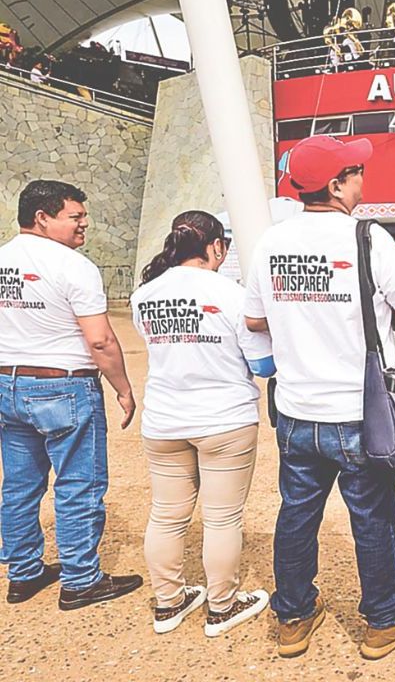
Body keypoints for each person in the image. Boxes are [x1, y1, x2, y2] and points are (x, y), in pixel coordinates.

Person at [243, 135, 395, 660]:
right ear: (336, 184)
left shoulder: (271, 242)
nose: (361, 179)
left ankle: (294, 617)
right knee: (371, 517)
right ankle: (382, 623)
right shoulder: (368, 238)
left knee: (297, 514)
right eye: (356, 171)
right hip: (360, 413)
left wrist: (299, 314)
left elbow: (256, 319)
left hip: (296, 411)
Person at [130, 211, 275, 637]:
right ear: (216, 247)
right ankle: (222, 606)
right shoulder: (231, 293)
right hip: (224, 419)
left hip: (163, 420)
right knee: (222, 518)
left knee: (167, 515)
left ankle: (168, 603)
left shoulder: (144, 296)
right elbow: (262, 364)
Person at [0, 180, 142, 610]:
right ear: (42, 218)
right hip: (64, 385)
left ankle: (23, 573)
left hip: (8, 383)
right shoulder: (72, 265)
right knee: (79, 484)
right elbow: (100, 341)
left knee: (20, 486)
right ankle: (81, 579)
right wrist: (123, 388)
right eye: (75, 217)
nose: (85, 225)